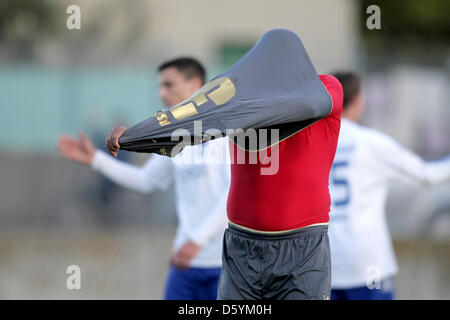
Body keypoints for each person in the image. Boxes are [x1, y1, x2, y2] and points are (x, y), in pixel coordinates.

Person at [104, 29, 344, 300]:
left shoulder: (325, 88)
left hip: (303, 248)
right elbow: (192, 115)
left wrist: (246, 106)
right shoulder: (239, 97)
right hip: (242, 248)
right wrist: (135, 135)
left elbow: (312, 105)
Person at [57, 57, 230, 300]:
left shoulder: (224, 135)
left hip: (223, 265)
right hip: (183, 264)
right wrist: (96, 159)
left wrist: (197, 241)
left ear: (195, 85)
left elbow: (232, 196)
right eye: (160, 86)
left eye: (169, 85)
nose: (162, 93)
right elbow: (147, 180)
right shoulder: (175, 138)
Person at [328, 71, 450, 300]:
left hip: (325, 265)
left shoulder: (311, 143)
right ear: (357, 101)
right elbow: (428, 175)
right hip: (367, 263)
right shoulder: (371, 143)